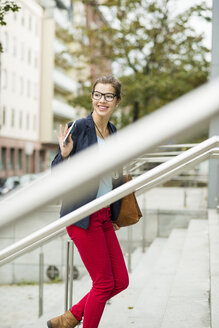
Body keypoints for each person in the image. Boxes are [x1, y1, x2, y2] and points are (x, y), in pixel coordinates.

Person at [47, 75, 129, 328]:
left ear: (116, 100)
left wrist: (114, 214)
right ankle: (72, 320)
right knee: (104, 283)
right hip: (82, 216)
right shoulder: (79, 127)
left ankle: (69, 318)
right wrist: (64, 155)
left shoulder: (112, 131)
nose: (102, 100)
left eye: (108, 95)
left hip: (104, 215)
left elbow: (112, 177)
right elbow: (57, 172)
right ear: (92, 96)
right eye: (97, 94)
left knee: (121, 281)